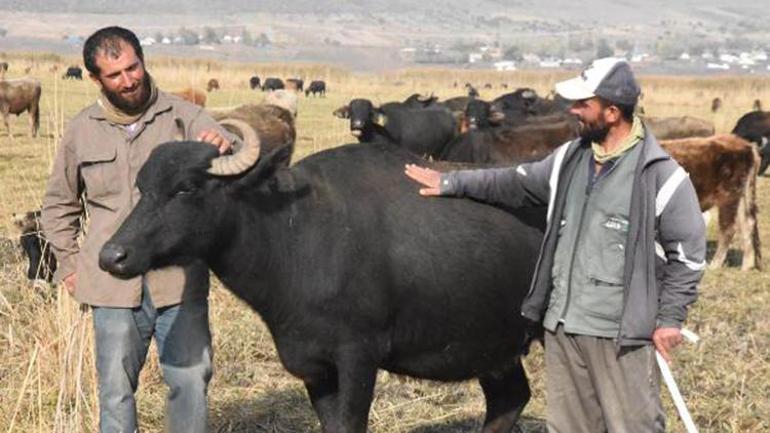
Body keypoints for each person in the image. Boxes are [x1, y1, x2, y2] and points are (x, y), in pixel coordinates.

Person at [405, 57, 706, 432]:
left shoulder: (662, 177)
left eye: (584, 104)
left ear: (612, 112)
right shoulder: (570, 158)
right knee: (569, 427)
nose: (573, 111)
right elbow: (512, 183)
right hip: (563, 325)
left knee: (633, 425)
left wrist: (670, 319)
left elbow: (688, 257)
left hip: (621, 333)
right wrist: (451, 183)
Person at [41, 26, 238, 433]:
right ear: (96, 79)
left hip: (179, 284)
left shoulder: (184, 115)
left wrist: (224, 141)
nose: (129, 80)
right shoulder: (81, 130)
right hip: (110, 285)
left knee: (189, 384)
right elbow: (59, 205)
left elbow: (231, 145)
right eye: (115, 75)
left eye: (134, 67)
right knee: (115, 391)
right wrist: (71, 267)